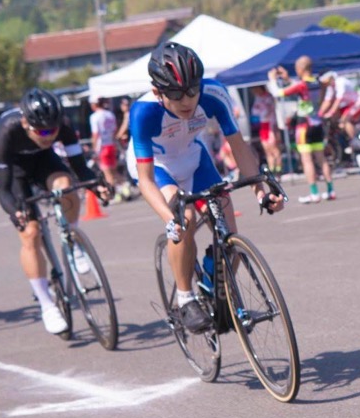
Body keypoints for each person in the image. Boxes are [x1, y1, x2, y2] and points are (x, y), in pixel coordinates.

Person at [127, 41, 285, 334]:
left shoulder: (214, 94)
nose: (187, 100)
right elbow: (146, 180)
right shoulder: (142, 113)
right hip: (158, 167)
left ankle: (216, 291)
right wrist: (168, 218)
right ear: (157, 91)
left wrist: (262, 192)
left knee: (228, 226)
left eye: (191, 90)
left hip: (193, 157)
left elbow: (240, 150)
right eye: (175, 93)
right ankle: (186, 299)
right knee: (183, 218)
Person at [0, 89, 111, 335]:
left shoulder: (62, 126)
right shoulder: (6, 130)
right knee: (31, 234)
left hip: (45, 162)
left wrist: (96, 185)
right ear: (25, 122)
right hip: (15, 173)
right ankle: (47, 304)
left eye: (53, 131)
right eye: (42, 132)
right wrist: (16, 212)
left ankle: (72, 240)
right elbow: (2, 190)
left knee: (66, 186)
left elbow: (80, 170)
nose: (49, 135)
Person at [267, 56, 334, 203]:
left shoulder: (302, 85)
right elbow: (301, 88)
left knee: (307, 160)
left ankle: (314, 193)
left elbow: (279, 93)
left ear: (301, 69)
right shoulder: (318, 82)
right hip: (318, 124)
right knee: (321, 158)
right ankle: (330, 190)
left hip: (304, 126)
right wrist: (288, 79)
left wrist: (272, 79)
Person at [317, 70, 360, 156]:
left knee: (345, 121)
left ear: (329, 78)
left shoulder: (340, 82)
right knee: (337, 121)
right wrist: (319, 114)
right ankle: (346, 136)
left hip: (359, 101)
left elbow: (338, 100)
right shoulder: (331, 86)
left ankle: (354, 143)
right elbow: (327, 101)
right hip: (349, 104)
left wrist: (330, 112)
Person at [89, 98, 122, 202]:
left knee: (107, 173)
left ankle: (113, 194)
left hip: (102, 146)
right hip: (111, 144)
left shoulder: (94, 117)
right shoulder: (109, 114)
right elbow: (114, 130)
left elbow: (95, 134)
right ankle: (125, 188)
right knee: (114, 171)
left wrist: (94, 148)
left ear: (94, 104)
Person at [249, 85, 282, 174]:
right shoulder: (258, 98)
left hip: (271, 125)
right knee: (267, 150)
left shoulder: (268, 97)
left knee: (274, 149)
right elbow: (255, 111)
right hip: (263, 125)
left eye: (256, 89)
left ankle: (278, 170)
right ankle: (271, 171)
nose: (255, 91)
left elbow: (268, 111)